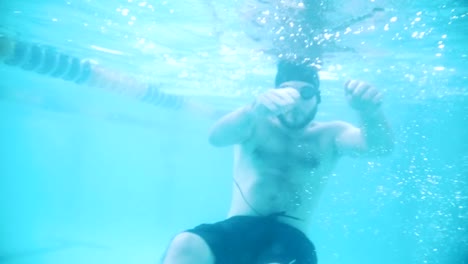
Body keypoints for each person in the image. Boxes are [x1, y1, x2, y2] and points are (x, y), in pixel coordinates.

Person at [161, 58, 394, 264]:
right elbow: (216, 138)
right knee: (185, 245)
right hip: (238, 228)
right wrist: (253, 109)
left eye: (306, 93)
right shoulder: (254, 123)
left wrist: (369, 112)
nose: (296, 102)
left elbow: (379, 148)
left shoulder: (330, 134)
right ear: (273, 94)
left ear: (318, 98)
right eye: (286, 92)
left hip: (290, 237)